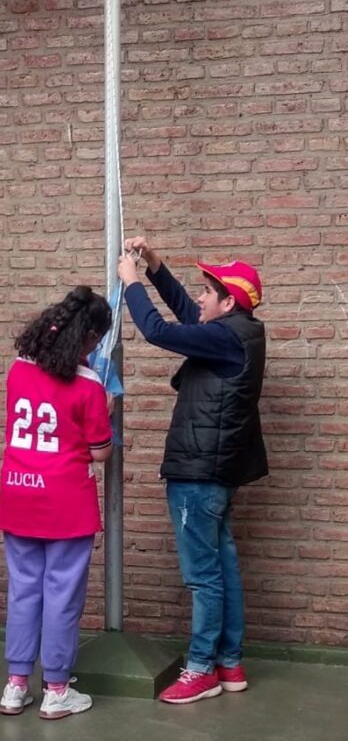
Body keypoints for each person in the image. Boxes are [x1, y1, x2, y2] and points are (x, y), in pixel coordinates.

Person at [117, 237, 267, 705]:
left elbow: (160, 332)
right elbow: (185, 312)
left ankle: (200, 669)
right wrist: (154, 264)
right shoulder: (235, 333)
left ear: (228, 302)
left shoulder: (225, 337)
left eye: (208, 291)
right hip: (215, 475)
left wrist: (131, 285)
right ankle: (229, 662)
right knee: (222, 567)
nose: (200, 297)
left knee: (204, 576)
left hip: (199, 477)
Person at [0, 286, 113, 720]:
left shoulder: (16, 370)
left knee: (23, 591)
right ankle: (57, 689)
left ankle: (16, 684)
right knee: (62, 595)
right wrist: (108, 412)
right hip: (66, 501)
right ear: (89, 338)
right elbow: (100, 450)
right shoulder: (90, 385)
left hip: (18, 492)